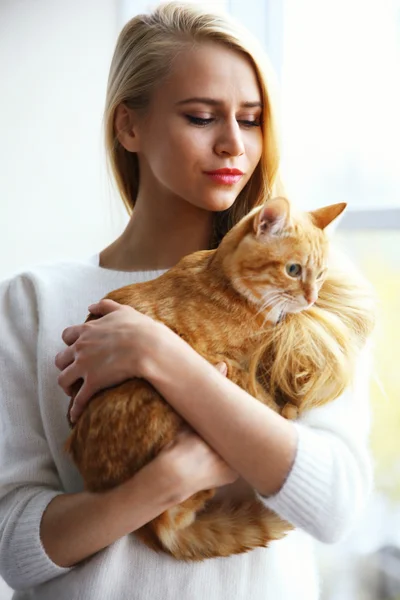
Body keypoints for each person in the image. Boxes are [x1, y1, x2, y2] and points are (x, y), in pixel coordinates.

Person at [0, 2, 373, 599]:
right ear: (129, 127)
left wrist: (158, 354)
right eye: (202, 117)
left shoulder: (307, 289)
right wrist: (167, 481)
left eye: (251, 120)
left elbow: (336, 507)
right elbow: (15, 548)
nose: (233, 143)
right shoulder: (34, 301)